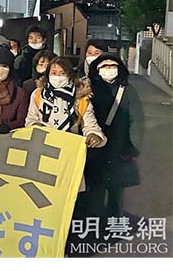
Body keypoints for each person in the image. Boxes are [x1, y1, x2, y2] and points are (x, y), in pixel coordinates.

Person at [86, 53, 144, 218]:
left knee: (116, 190)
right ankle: (94, 223)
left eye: (112, 66)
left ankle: (113, 222)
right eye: (104, 67)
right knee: (94, 188)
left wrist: (133, 147)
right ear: (97, 70)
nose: (109, 70)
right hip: (94, 147)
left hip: (119, 147)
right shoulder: (89, 89)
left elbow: (137, 121)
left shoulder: (128, 91)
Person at [25, 56, 106, 146]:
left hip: (69, 144)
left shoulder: (81, 97)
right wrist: (35, 125)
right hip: (43, 144)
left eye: (62, 73)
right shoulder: (38, 94)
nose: (58, 77)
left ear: (70, 75)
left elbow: (89, 124)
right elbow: (31, 119)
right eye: (54, 73)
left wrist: (94, 134)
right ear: (48, 74)